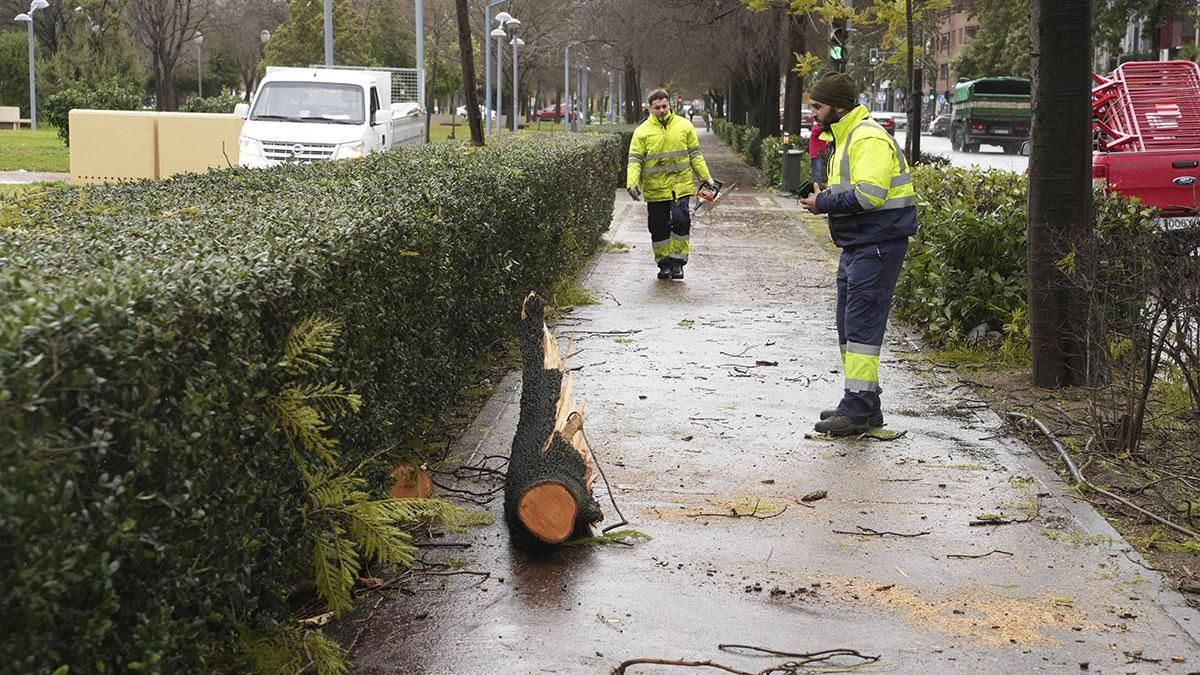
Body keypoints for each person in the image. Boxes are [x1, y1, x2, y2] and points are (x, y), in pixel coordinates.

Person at [798, 72, 917, 436]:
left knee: (862, 327)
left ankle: (857, 407)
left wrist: (824, 202)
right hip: (861, 244)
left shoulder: (866, 137)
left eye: (817, 106)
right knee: (850, 327)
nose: (814, 114)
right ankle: (864, 401)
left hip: (877, 244)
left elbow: (869, 195)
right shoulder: (847, 136)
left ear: (837, 105)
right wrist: (826, 196)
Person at [626, 89, 716, 280]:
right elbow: (635, 160)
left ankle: (678, 263)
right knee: (658, 227)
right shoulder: (641, 132)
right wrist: (632, 183)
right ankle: (663, 264)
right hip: (655, 189)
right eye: (657, 107)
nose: (661, 110)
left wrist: (706, 177)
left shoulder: (684, 126)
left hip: (680, 187)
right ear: (649, 108)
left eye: (664, 106)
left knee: (681, 221)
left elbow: (695, 155)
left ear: (670, 106)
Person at [808, 118, 829, 187]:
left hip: (820, 153)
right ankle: (816, 189)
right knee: (817, 173)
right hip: (816, 154)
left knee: (819, 172)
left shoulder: (820, 129)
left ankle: (817, 187)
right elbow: (816, 131)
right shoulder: (816, 128)